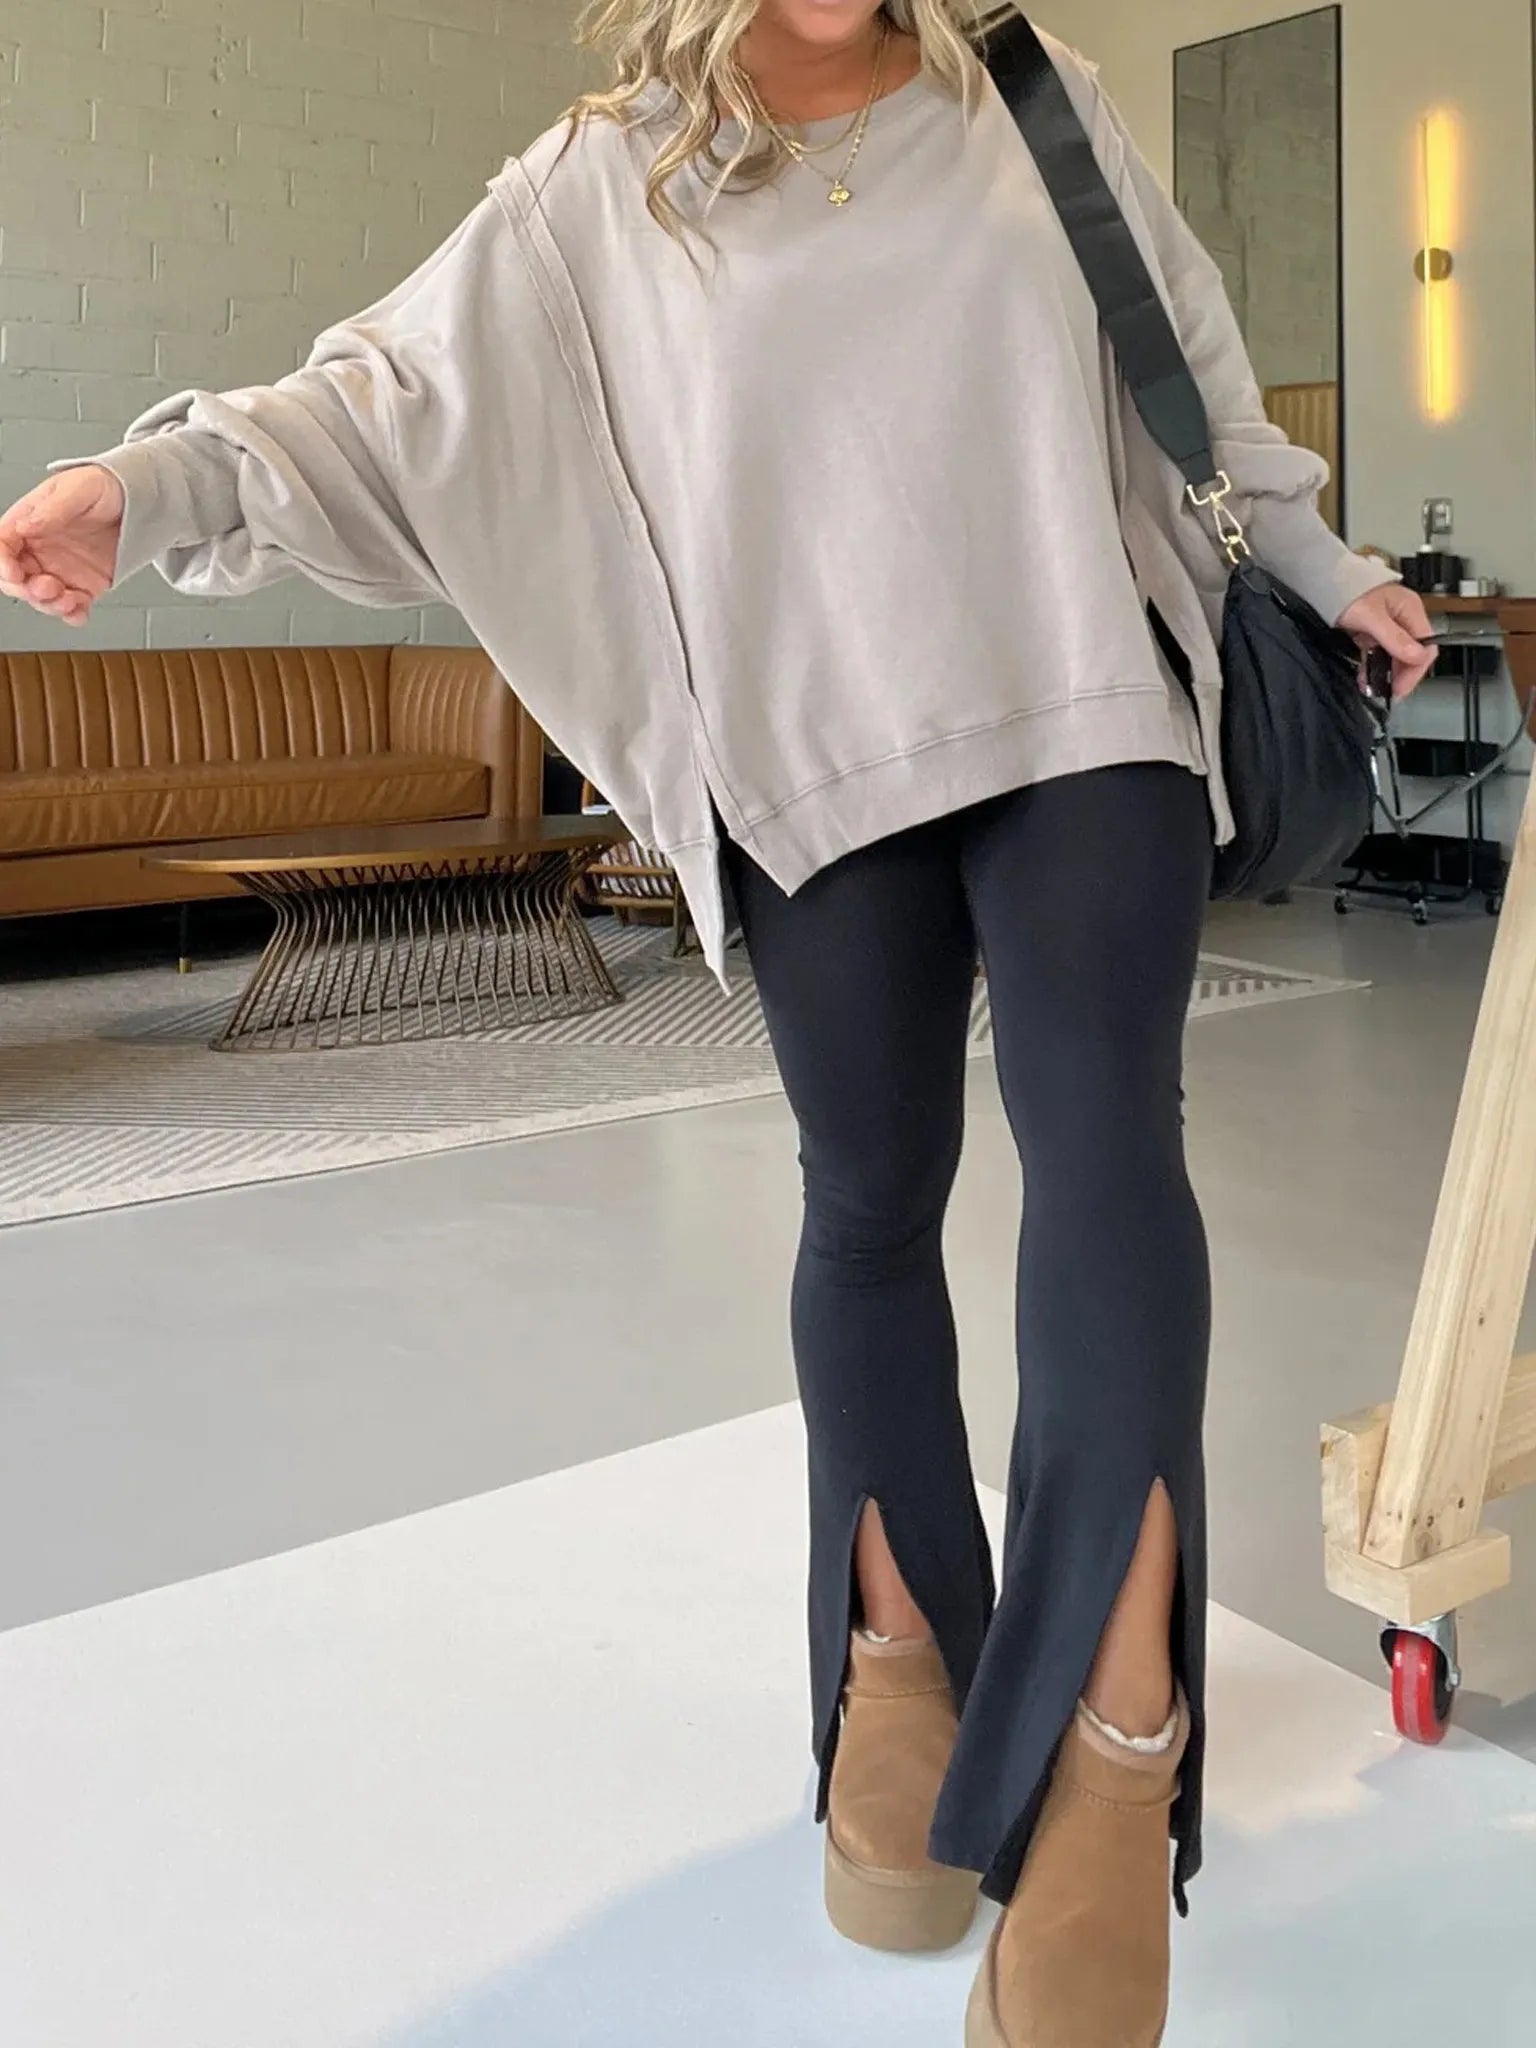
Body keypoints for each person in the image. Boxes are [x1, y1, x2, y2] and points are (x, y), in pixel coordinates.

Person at [0, 4, 1434, 2041]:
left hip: (1086, 703)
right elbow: (374, 409)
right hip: (810, 764)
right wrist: (136, 489)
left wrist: (1325, 561)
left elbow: (1192, 375)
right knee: (870, 1198)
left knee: (1111, 1153)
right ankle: (900, 1668)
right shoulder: (598, 185)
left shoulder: (1028, 93)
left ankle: (1118, 1750)